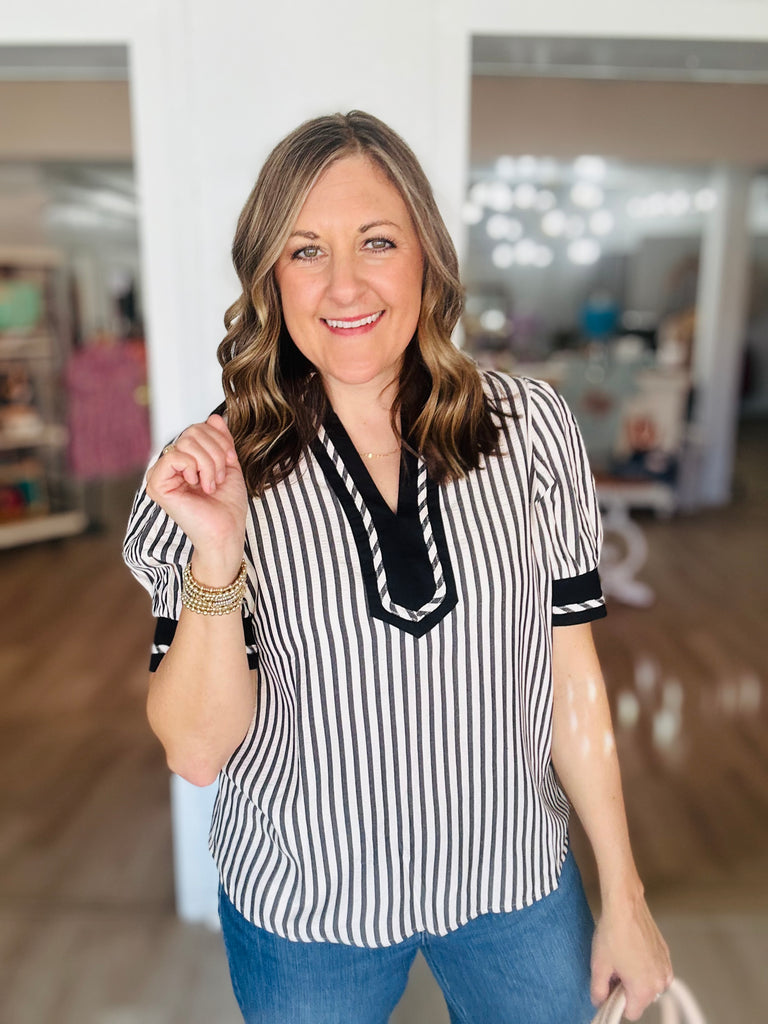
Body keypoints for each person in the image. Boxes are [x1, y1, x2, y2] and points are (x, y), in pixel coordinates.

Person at [124, 110, 672, 1024]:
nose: (344, 284)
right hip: (307, 905)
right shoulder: (213, 471)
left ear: (427, 256)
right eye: (305, 251)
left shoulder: (530, 429)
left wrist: (625, 890)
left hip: (515, 879)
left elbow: (570, 676)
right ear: (269, 277)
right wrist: (219, 551)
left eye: (377, 241)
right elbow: (195, 750)